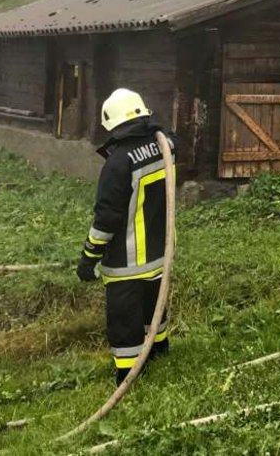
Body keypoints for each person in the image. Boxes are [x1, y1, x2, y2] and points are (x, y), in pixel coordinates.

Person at [77, 89, 173, 384]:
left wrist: (88, 257)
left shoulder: (118, 163)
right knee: (154, 306)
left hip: (127, 261)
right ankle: (159, 349)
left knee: (125, 320)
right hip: (160, 252)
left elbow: (106, 219)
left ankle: (129, 374)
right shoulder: (164, 146)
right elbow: (172, 142)